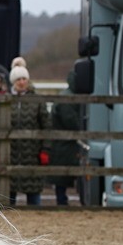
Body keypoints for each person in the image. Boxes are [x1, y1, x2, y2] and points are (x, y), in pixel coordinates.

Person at [7, 64, 50, 206]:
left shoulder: (37, 100)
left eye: (24, 78)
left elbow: (46, 126)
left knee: (34, 192)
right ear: (13, 81)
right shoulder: (6, 100)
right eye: (18, 79)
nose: (22, 82)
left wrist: (45, 149)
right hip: (11, 153)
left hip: (32, 152)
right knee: (9, 190)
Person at [50, 69, 83, 205]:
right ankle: (62, 200)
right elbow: (71, 122)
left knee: (62, 175)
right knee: (62, 174)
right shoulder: (69, 99)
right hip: (65, 142)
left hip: (62, 142)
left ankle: (62, 199)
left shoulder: (67, 96)